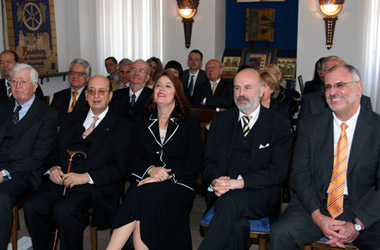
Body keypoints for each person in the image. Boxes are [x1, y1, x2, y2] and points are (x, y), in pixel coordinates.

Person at [270, 64, 380, 250]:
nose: (332, 92)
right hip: (317, 204)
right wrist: (318, 218)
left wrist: (357, 224)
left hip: (363, 207)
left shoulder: (376, 128)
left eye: (340, 85)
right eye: (328, 87)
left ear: (358, 87)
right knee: (282, 232)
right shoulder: (310, 126)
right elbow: (300, 176)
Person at [24, 75, 130, 250]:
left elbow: (120, 167)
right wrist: (53, 168)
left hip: (93, 186)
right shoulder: (69, 118)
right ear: (86, 95)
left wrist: (86, 177)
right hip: (61, 179)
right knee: (32, 206)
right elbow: (52, 150)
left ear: (110, 96)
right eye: (91, 91)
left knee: (63, 210)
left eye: (101, 91)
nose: (96, 95)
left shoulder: (122, 126)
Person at [107, 70, 202, 250]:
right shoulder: (142, 121)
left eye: (168, 86)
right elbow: (130, 157)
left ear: (177, 93)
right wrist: (151, 170)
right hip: (147, 179)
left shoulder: (190, 121)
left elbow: (194, 162)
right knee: (144, 200)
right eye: (158, 85)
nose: (161, 89)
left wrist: (163, 175)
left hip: (178, 183)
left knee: (140, 194)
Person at [199, 68, 293, 250]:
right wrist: (215, 181)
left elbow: (278, 171)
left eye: (247, 88)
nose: (241, 94)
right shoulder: (221, 121)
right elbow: (208, 160)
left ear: (261, 91)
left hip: (260, 194)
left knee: (231, 201)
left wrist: (240, 183)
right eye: (237, 88)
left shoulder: (278, 125)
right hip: (222, 191)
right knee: (237, 225)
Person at [0, 63, 58, 249]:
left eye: (23, 82)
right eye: (14, 82)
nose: (17, 86)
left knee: (0, 199)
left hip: (24, 173)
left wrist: (4, 174)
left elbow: (37, 158)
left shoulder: (47, 115)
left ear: (34, 86)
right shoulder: (3, 109)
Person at [298, 56, 372, 121]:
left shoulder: (363, 101)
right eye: (327, 70)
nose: (332, 73)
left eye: (335, 68)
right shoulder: (310, 101)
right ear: (322, 74)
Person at [50, 58, 91, 123]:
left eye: (80, 74)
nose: (75, 76)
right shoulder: (59, 96)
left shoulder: (91, 97)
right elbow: (51, 119)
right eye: (72, 73)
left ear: (87, 78)